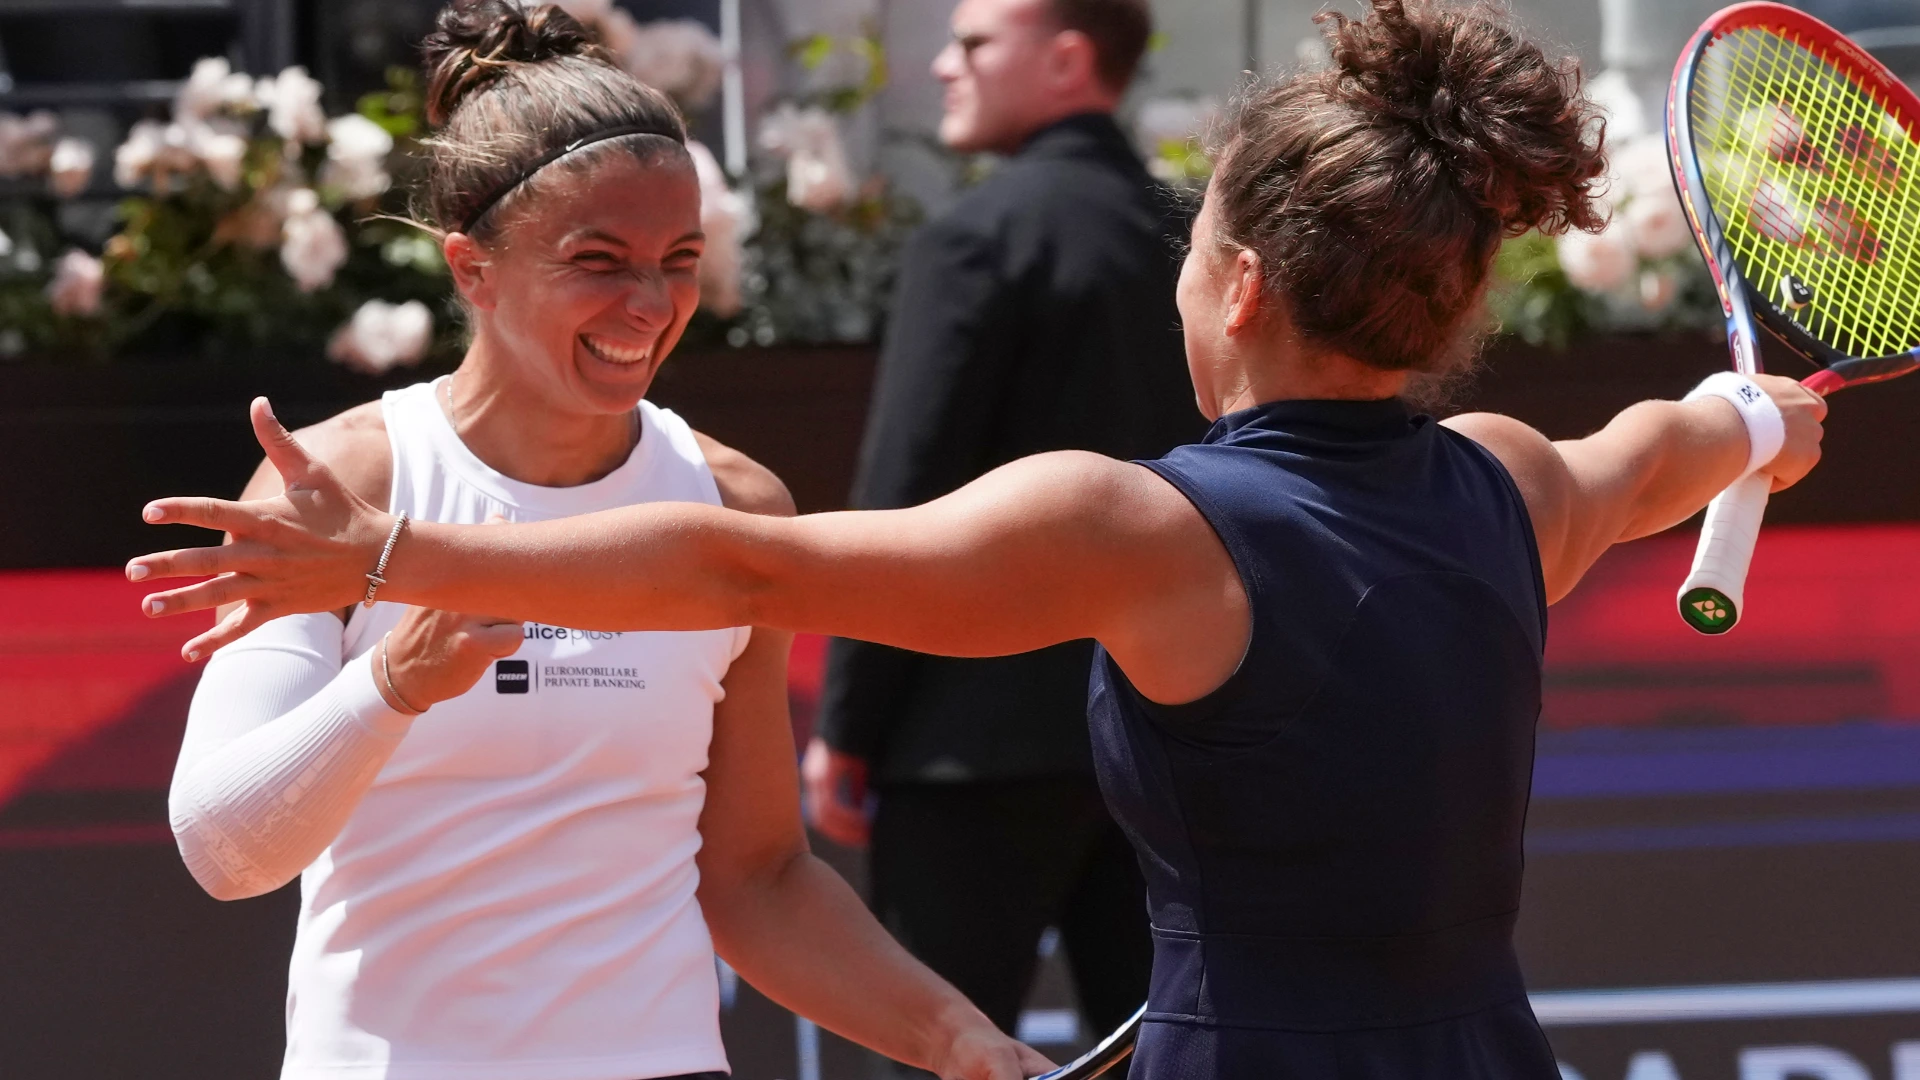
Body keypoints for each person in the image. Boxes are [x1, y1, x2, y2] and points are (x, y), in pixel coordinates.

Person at [131, 0, 1830, 1075]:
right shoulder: (1515, 481)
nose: (651, 303)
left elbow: (738, 576)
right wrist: (1759, 422)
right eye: (603, 261)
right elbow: (1664, 448)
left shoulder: (1138, 527)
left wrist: (397, 564)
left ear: (1239, 284)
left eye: (1189, 243)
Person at [155, 4, 1049, 1079]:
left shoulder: (737, 505)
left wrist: (954, 1038)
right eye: (600, 260)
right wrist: (391, 685)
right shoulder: (341, 483)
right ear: (472, 270)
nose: (650, 305)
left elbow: (759, 879)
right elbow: (225, 849)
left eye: (680, 259)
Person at [803, 0, 1196, 1042]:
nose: (944, 65)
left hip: (967, 744)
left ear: (1067, 59)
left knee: (944, 1054)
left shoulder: (977, 237)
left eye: (974, 42)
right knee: (1175, 1057)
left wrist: (849, 724)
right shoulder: (1203, 242)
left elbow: (904, 492)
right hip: (1173, 734)